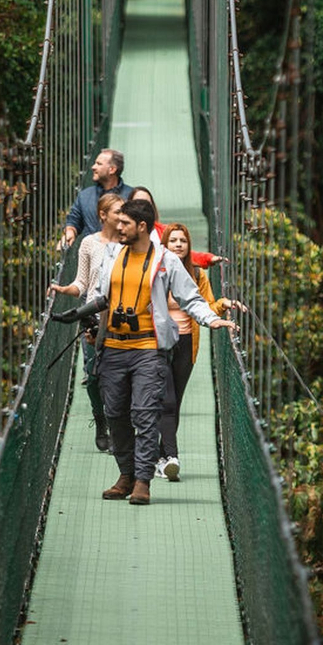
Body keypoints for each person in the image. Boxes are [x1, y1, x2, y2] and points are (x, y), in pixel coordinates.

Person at [87, 199, 237, 505]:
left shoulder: (166, 260)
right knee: (115, 413)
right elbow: (101, 295)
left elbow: (190, 298)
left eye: (125, 223)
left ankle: (142, 480)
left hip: (148, 348)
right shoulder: (112, 253)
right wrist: (87, 320)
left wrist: (212, 318)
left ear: (141, 226)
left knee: (144, 413)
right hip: (113, 346)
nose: (119, 227)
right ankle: (125, 475)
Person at [155, 223, 244, 482]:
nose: (179, 244)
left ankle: (162, 458)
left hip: (186, 342)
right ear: (165, 245)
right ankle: (171, 456)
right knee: (166, 400)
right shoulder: (156, 271)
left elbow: (205, 307)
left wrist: (224, 304)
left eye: (183, 240)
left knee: (175, 402)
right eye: (173, 240)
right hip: (160, 342)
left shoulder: (197, 274)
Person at [49, 192, 124, 451]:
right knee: (93, 378)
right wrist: (63, 289)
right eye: (117, 211)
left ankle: (117, 428)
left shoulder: (130, 244)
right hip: (91, 316)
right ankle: (100, 418)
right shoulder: (89, 243)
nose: (122, 216)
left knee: (116, 378)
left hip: (119, 318)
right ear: (103, 215)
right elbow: (81, 284)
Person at [128, 186, 225, 268]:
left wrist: (208, 258)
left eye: (147, 203)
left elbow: (185, 254)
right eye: (138, 202)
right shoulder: (122, 232)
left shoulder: (164, 232)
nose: (142, 207)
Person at [62, 149, 131, 247]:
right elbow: (74, 219)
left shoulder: (131, 195)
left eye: (99, 164)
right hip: (91, 254)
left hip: (122, 255)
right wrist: (70, 230)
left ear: (112, 169)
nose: (93, 167)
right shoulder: (85, 195)